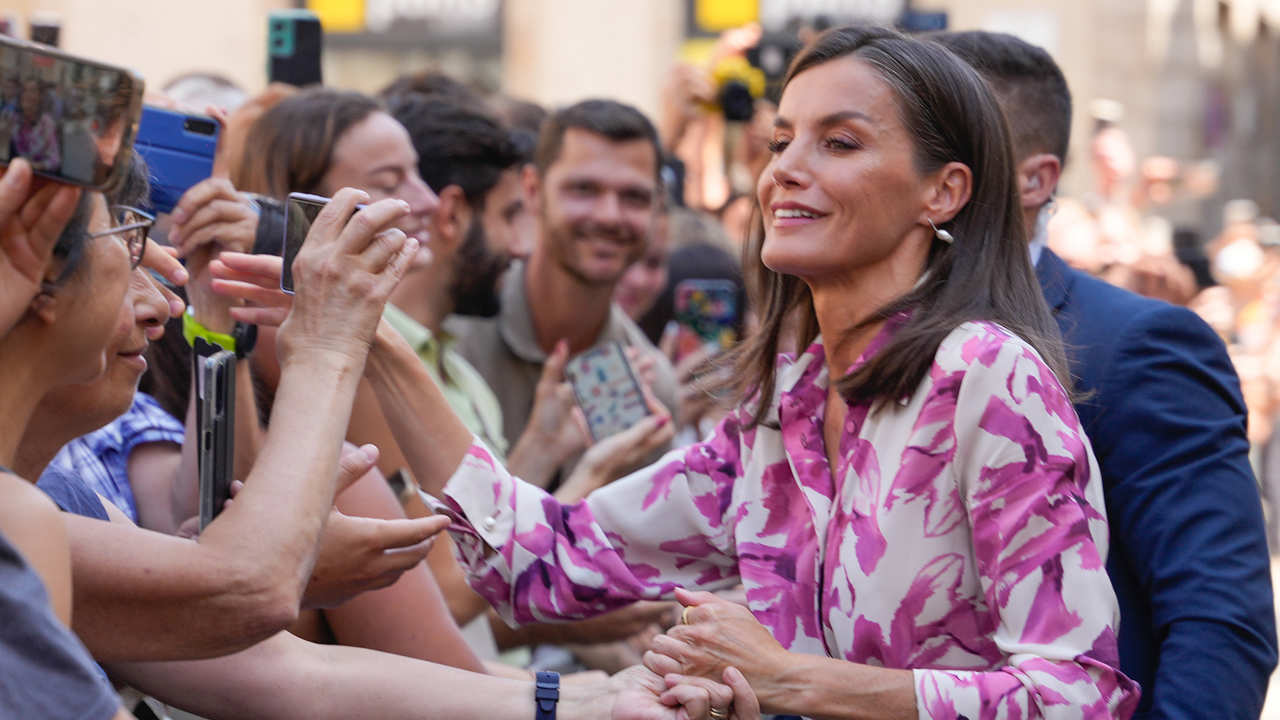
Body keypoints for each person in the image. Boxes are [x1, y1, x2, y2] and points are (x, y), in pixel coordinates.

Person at [240, 25, 1132, 718]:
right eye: (783, 140)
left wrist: (792, 680)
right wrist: (371, 338)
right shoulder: (780, 406)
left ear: (944, 191)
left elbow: (1076, 694)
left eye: (840, 143)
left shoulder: (987, 376)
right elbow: (541, 562)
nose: (786, 170)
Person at [932, 30, 1277, 719]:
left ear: (1037, 178)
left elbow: (1219, 625)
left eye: (950, 140)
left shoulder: (1136, 346)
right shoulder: (849, 344)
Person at [450, 99, 680, 482]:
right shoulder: (456, 336)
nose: (609, 215)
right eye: (584, 190)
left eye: (634, 197)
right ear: (532, 190)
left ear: (657, 207)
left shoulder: (651, 386)